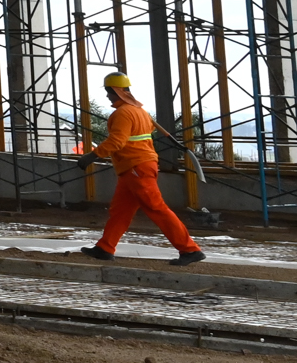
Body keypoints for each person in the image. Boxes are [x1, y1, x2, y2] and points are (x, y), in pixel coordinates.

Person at [79, 71, 206, 264]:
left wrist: (92, 155)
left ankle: (190, 249)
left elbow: (117, 141)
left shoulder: (123, 113)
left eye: (108, 91)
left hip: (136, 167)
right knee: (120, 211)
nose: (106, 95)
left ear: (116, 91)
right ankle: (105, 247)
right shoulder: (139, 112)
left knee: (157, 208)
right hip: (135, 167)